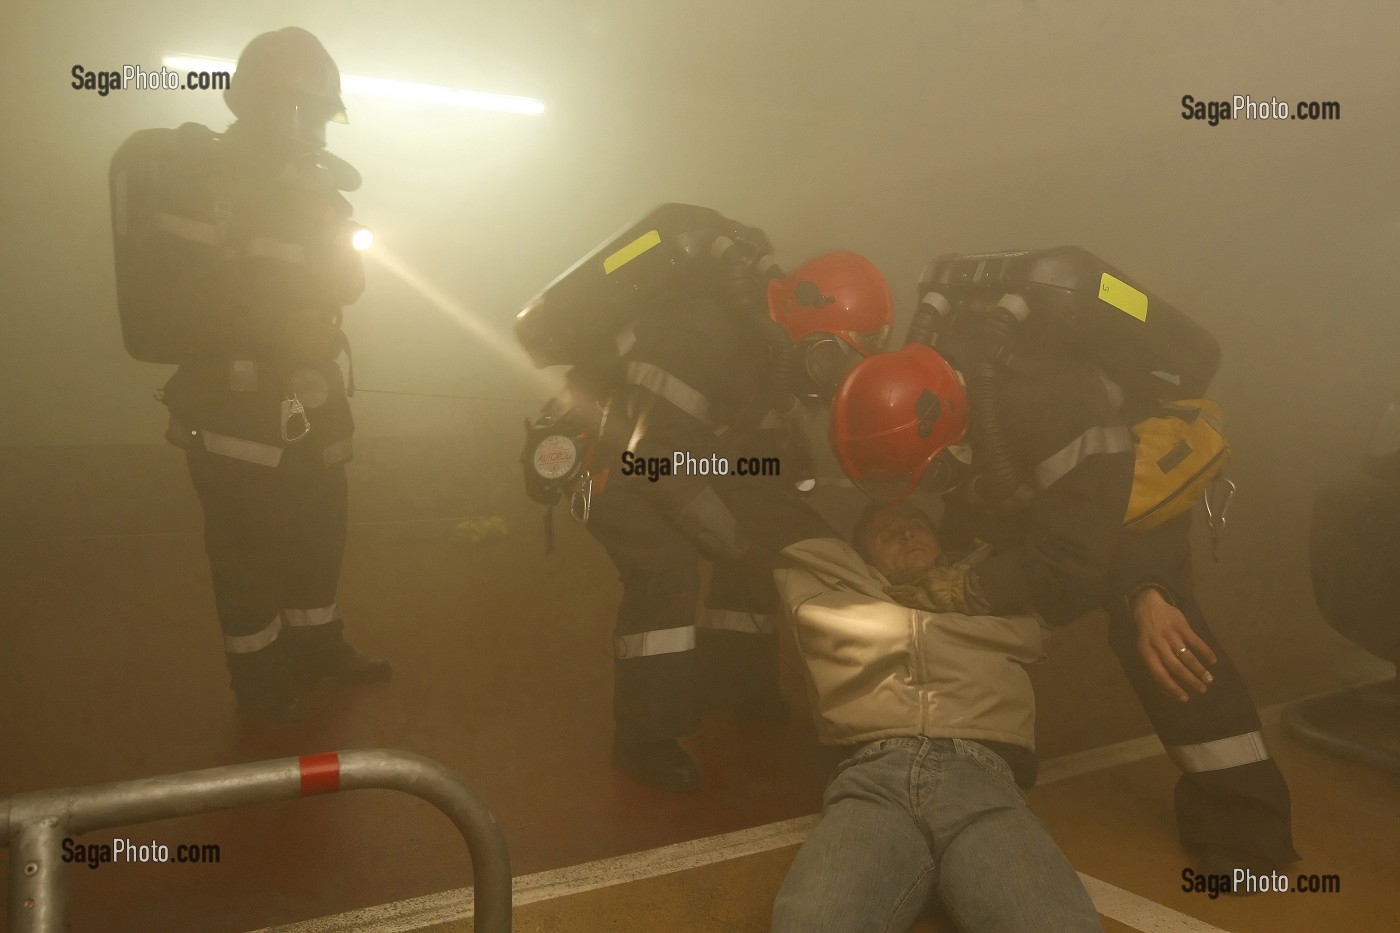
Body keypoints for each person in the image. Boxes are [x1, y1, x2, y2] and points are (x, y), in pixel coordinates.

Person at [830, 277, 1298, 881]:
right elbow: (997, 500)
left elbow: (1076, 557)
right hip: (1065, 487)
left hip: (1131, 489)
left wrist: (1143, 589)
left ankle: (1249, 832)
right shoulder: (952, 381)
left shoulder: (1049, 402)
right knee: (982, 578)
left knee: (1159, 632)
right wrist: (960, 572)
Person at [517, 207, 894, 791]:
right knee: (665, 567)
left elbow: (746, 438)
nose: (834, 375)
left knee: (756, 537)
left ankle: (735, 684)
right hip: (607, 456)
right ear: (811, 332)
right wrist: (737, 541)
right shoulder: (705, 332)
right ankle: (646, 735)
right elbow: (658, 460)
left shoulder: (767, 348)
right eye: (834, 357)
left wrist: (775, 509)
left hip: (668, 448)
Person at [109, 28, 389, 723]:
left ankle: (317, 643)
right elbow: (179, 298)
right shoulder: (204, 185)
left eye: (328, 116)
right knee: (245, 543)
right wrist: (273, 331)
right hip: (234, 400)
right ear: (273, 105)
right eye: (314, 112)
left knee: (322, 521)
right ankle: (259, 679)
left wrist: (334, 235)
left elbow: (345, 284)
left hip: (311, 391)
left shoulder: (314, 186)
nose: (321, 128)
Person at [770, 500, 1101, 932]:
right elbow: (765, 505)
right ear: (862, 557)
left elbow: (1079, 560)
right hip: (872, 785)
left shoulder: (997, 594)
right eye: (888, 533)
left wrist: (1148, 592)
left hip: (983, 783)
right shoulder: (827, 588)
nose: (907, 533)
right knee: (812, 923)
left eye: (917, 525)